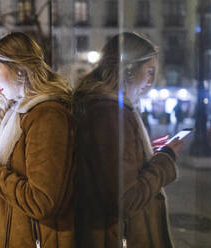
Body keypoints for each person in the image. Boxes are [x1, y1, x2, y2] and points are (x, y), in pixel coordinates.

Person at [0, 32, 75, 248]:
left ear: (20, 67)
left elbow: (42, 201)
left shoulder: (47, 115)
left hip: (35, 240)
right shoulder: (21, 111)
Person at [73, 32, 184, 248]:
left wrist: (143, 153)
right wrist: (166, 158)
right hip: (120, 236)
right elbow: (127, 198)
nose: (151, 81)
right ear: (129, 70)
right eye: (149, 72)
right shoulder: (110, 113)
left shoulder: (103, 107)